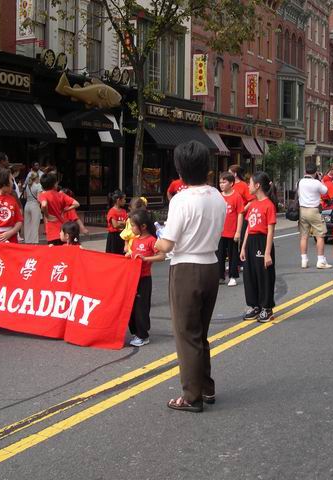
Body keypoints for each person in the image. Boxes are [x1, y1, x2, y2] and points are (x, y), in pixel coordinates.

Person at [155, 140, 226, 413]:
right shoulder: (217, 196)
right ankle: (206, 387)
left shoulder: (181, 199)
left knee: (186, 335)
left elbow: (167, 244)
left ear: (180, 170)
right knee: (200, 333)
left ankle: (191, 396)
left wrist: (155, 238)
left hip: (186, 268)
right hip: (211, 265)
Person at [240, 171, 277, 323]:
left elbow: (270, 231)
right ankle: (254, 305)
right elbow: (249, 227)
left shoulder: (269, 205)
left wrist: (267, 253)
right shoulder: (253, 204)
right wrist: (243, 247)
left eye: (249, 183)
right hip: (251, 241)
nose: (248, 186)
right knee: (250, 275)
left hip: (262, 242)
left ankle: (266, 308)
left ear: (257, 185)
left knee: (264, 275)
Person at [126, 209, 165, 347]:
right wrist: (129, 256)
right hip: (132, 279)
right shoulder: (134, 240)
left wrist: (146, 259)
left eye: (133, 225)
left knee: (141, 308)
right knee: (131, 307)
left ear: (143, 226)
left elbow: (162, 256)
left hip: (144, 279)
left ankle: (143, 336)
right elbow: (133, 254)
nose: (131, 228)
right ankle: (135, 332)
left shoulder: (152, 240)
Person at [297, 164, 331, 269]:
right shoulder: (317, 183)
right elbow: (325, 191)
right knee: (320, 236)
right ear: (316, 172)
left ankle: (304, 260)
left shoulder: (300, 182)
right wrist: (321, 179)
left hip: (302, 210)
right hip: (314, 210)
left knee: (304, 236)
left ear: (305, 171)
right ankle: (321, 261)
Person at [218, 172, 244, 286]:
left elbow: (240, 214)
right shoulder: (218, 196)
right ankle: (220, 276)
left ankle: (233, 276)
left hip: (232, 232)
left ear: (231, 183)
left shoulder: (236, 196)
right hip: (220, 232)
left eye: (224, 182)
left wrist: (238, 231)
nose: (221, 184)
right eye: (220, 182)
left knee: (233, 255)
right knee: (220, 255)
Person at [38, 173, 79, 246]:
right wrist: (65, 210)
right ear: (55, 184)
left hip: (52, 231)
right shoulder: (61, 195)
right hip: (63, 229)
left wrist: (47, 215)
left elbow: (44, 205)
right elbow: (76, 204)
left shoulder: (43, 195)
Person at [23, 171, 43, 244]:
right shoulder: (38, 186)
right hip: (35, 205)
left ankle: (27, 240)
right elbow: (39, 199)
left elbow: (25, 196)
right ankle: (34, 241)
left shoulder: (27, 185)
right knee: (35, 224)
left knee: (27, 224)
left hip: (27, 205)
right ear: (37, 178)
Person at [106, 190, 127, 254]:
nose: (125, 201)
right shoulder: (112, 211)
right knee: (114, 254)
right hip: (114, 237)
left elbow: (127, 223)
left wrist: (119, 222)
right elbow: (115, 225)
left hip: (123, 235)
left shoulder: (124, 211)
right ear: (118, 200)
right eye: (124, 199)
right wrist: (122, 223)